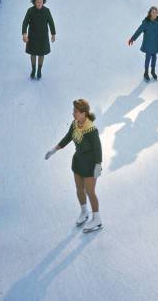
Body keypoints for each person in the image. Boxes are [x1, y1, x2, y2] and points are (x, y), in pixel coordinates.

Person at [45, 99, 103, 233]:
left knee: (90, 192)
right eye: (73, 111)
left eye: (76, 112)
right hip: (78, 162)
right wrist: (54, 150)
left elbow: (98, 148)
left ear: (84, 113)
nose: (73, 114)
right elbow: (67, 138)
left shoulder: (91, 130)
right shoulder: (75, 124)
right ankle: (84, 211)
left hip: (90, 165)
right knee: (79, 189)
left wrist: (98, 165)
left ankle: (97, 218)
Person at [128, 6, 158, 81]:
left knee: (154, 57)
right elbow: (139, 30)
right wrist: (132, 38)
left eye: (156, 12)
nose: (154, 14)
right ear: (150, 13)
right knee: (147, 58)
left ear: (157, 13)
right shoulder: (146, 22)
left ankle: (153, 71)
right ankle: (146, 72)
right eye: (153, 12)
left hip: (156, 43)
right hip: (148, 43)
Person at [22, 0, 56, 79]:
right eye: (37, 2)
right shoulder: (30, 11)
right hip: (32, 36)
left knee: (41, 54)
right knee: (33, 53)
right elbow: (25, 22)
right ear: (34, 2)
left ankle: (39, 70)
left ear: (43, 2)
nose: (39, 4)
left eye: (41, 2)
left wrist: (53, 34)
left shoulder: (47, 11)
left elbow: (51, 22)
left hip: (43, 37)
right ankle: (33, 69)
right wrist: (24, 34)